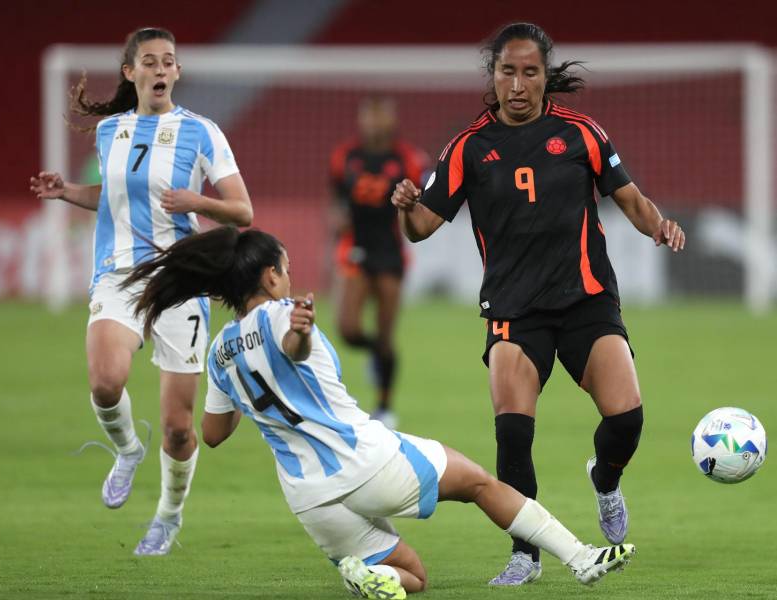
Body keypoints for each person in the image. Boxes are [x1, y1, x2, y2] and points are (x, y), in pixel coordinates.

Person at [125, 225, 635, 598]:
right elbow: (292, 346)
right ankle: (580, 558)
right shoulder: (285, 316)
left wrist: (249, 391)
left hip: (310, 499)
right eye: (285, 267)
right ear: (270, 275)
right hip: (368, 462)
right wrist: (300, 333)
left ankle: (369, 576)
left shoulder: (220, 352)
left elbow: (213, 433)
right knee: (480, 484)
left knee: (413, 576)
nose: (289, 276)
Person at [391, 22, 684, 586]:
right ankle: (525, 554)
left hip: (586, 300)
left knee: (626, 418)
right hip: (514, 310)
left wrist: (658, 226)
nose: (518, 84)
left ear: (546, 76)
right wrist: (406, 207)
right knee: (513, 433)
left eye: (530, 72)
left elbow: (630, 198)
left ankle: (605, 478)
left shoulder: (581, 133)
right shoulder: (469, 147)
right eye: (508, 71)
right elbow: (421, 227)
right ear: (493, 75)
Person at [28, 27, 253, 555]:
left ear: (177, 72)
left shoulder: (202, 132)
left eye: (168, 61)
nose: (160, 69)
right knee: (106, 382)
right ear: (130, 73)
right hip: (119, 274)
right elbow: (114, 197)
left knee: (177, 429)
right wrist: (67, 192)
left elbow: (242, 211)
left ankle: (168, 518)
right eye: (149, 61)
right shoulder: (111, 130)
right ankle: (127, 450)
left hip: (181, 281)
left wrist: (198, 203)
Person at [329, 96, 427, 428]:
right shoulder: (345, 156)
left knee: (386, 333)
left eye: (379, 116)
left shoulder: (407, 158)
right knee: (348, 329)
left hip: (390, 251)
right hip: (355, 248)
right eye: (368, 117)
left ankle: (384, 407)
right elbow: (337, 199)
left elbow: (420, 200)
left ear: (391, 120)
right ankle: (371, 351)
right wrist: (337, 218)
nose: (373, 123)